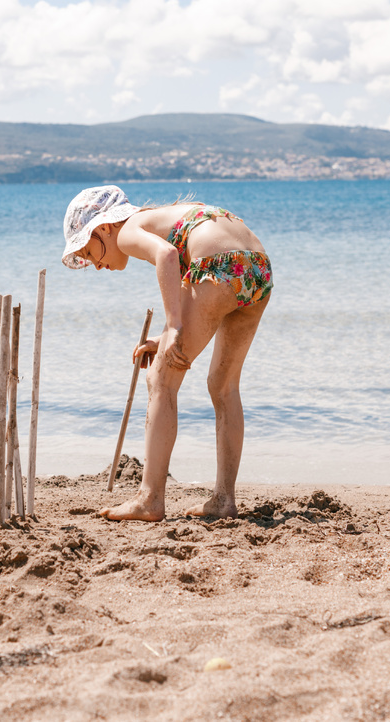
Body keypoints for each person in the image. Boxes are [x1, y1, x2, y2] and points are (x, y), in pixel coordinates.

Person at [61, 185, 273, 522]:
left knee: (160, 378)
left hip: (218, 264)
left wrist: (174, 326)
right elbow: (195, 291)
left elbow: (168, 257)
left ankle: (149, 499)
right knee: (224, 385)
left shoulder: (127, 230)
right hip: (258, 268)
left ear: (103, 227)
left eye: (88, 253)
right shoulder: (165, 217)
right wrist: (165, 336)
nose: (95, 265)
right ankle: (223, 500)